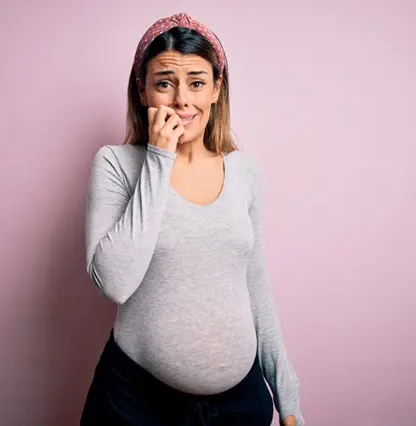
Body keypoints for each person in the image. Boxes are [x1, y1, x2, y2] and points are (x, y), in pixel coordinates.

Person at [81, 12, 304, 426]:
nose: (182, 100)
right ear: (142, 90)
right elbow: (114, 283)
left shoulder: (244, 171)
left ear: (217, 89)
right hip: (137, 405)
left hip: (240, 406)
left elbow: (255, 286)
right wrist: (159, 158)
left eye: (197, 83)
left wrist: (287, 398)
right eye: (165, 83)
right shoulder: (115, 164)